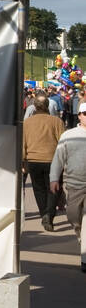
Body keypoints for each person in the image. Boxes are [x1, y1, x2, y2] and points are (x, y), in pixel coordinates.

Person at [50, 103, 86, 271]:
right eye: (84, 113)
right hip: (74, 184)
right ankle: (81, 237)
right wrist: (54, 178)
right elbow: (58, 158)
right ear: (79, 115)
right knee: (73, 217)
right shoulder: (68, 135)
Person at [23, 95, 65, 229]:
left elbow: (22, 143)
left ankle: (44, 214)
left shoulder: (27, 122)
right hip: (53, 160)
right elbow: (63, 142)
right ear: (48, 105)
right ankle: (49, 215)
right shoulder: (56, 121)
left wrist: (23, 161)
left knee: (39, 189)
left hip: (33, 160)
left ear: (34, 106)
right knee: (54, 189)